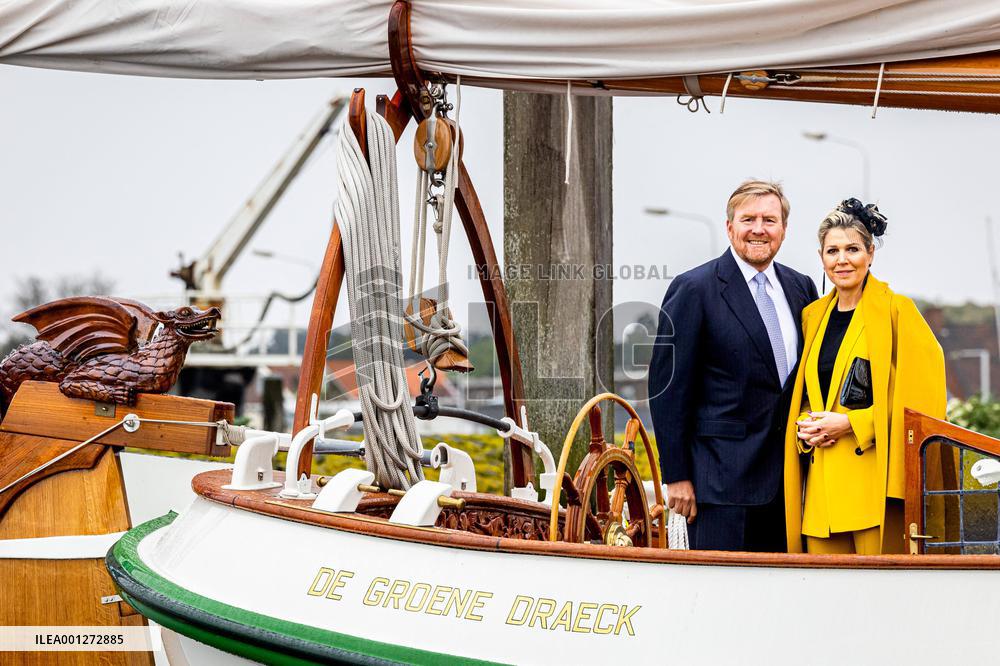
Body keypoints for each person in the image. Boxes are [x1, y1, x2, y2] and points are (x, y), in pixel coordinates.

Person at [648, 180, 818, 552]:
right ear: (730, 227)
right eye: (748, 219)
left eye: (770, 220)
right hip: (719, 487)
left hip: (790, 484)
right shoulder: (694, 288)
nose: (759, 229)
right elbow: (668, 390)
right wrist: (676, 477)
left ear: (784, 230)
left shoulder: (801, 287)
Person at [783, 199, 946, 554]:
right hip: (821, 496)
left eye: (852, 249)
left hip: (873, 491)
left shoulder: (898, 311)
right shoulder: (813, 316)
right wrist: (805, 425)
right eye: (833, 251)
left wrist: (853, 424)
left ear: (870, 253)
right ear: (822, 257)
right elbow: (810, 393)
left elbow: (923, 404)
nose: (842, 259)